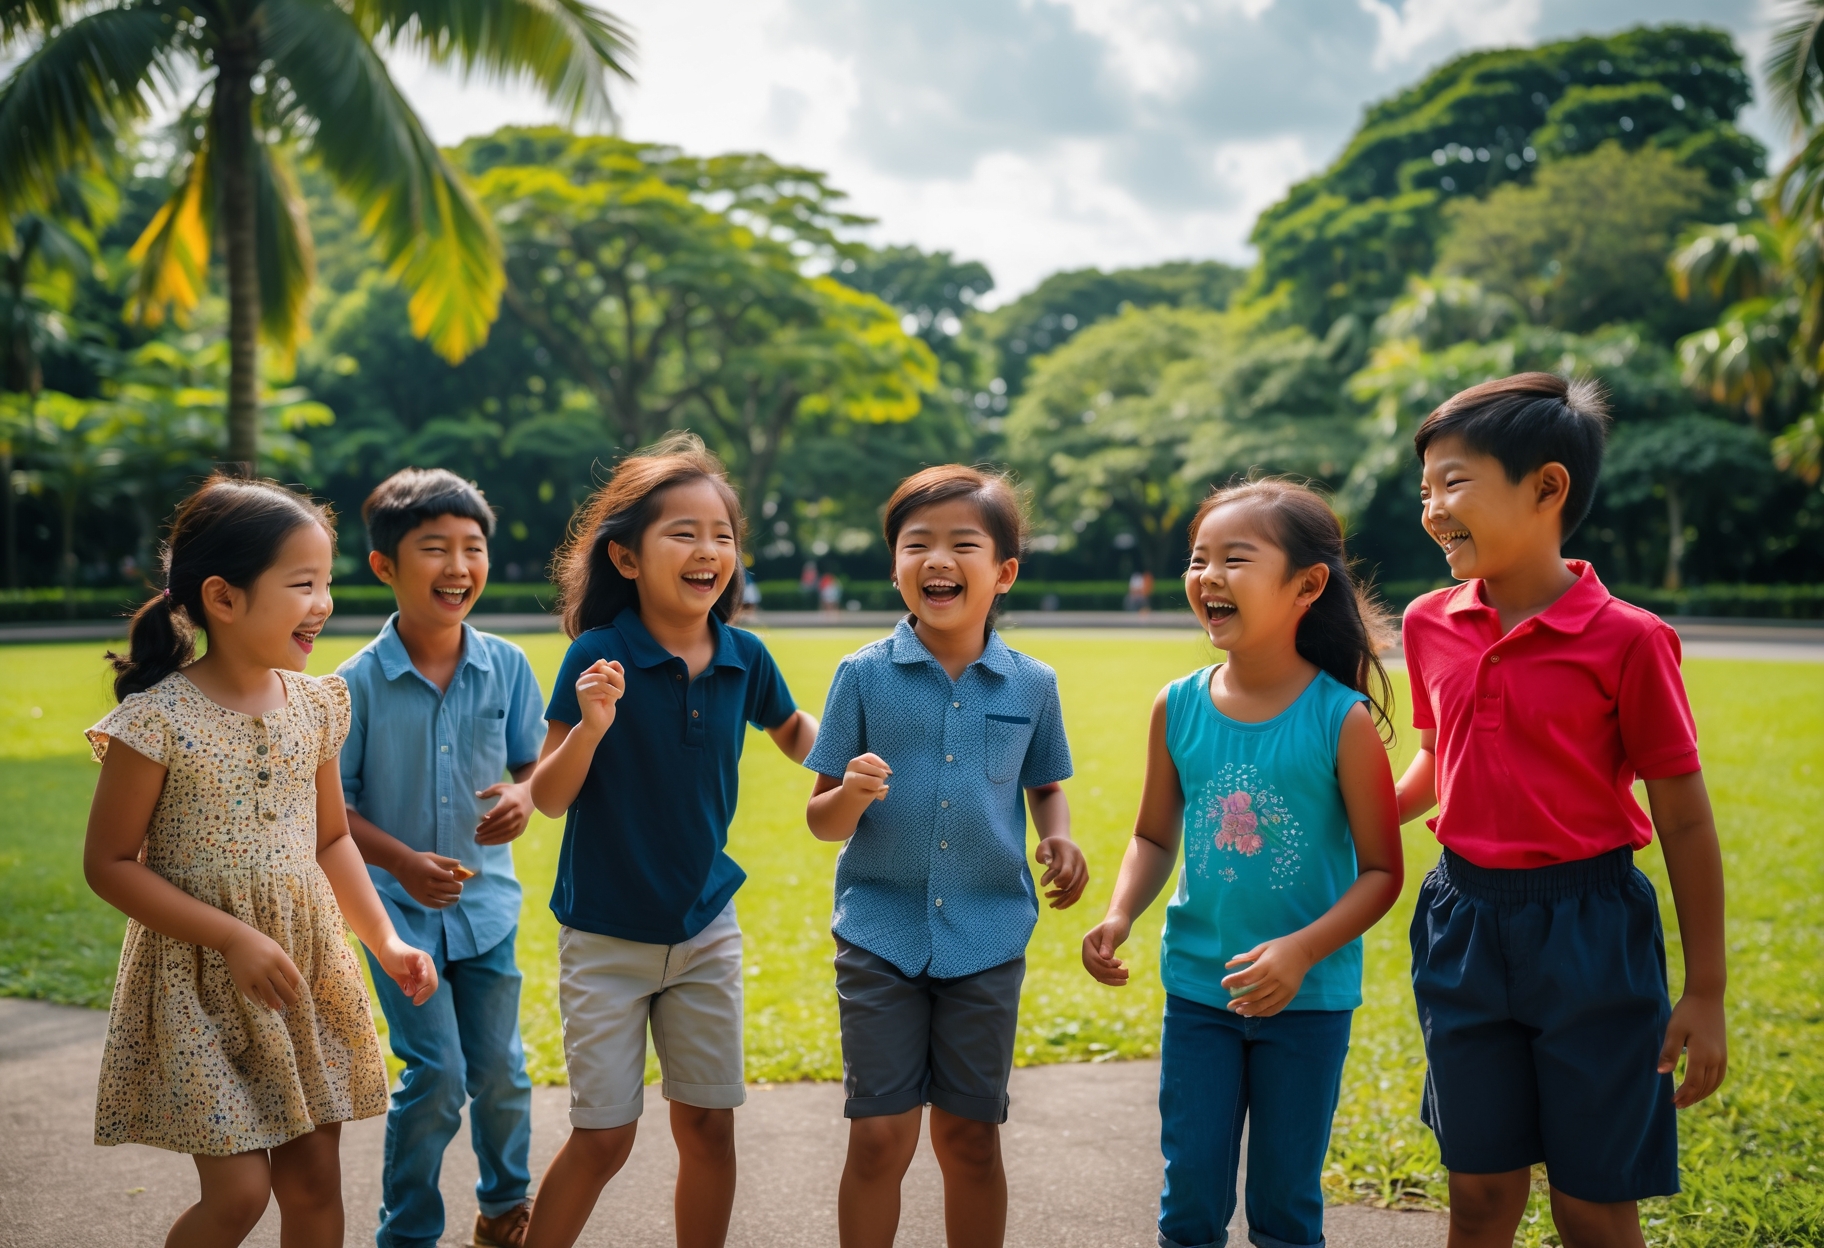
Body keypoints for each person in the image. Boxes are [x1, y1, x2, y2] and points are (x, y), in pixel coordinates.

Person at [1397, 373, 1727, 1248]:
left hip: (1591, 933)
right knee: (1480, 1195)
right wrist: (1356, 817)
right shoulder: (1430, 622)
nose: (1431, 508)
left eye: (1454, 483)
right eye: (1424, 489)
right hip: (1462, 924)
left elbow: (1686, 820)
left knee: (1592, 1202)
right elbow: (1438, 759)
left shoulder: (1631, 638)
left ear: (1547, 488)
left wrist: (1708, 990)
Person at [81, 475, 437, 1248]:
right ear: (224, 597)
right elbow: (109, 863)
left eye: (327, 583)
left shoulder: (317, 705)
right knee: (239, 1193)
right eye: (302, 583)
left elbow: (331, 841)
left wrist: (386, 940)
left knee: (313, 1181)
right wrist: (231, 937)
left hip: (299, 972)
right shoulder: (157, 720)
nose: (323, 603)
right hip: (200, 982)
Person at [1081, 479, 1404, 1248]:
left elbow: (1383, 872)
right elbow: (1155, 837)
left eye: (1235, 558)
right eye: (1198, 560)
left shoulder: (1342, 719)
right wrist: (1121, 913)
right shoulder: (1178, 705)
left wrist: (1301, 951)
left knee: (1286, 1206)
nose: (1207, 577)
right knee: (1189, 1198)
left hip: (1309, 1003)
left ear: (1306, 586)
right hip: (1200, 992)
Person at [522, 433, 819, 1248]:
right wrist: (590, 726)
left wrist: (854, 764)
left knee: (709, 1129)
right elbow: (548, 797)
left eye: (721, 534)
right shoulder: (597, 655)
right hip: (606, 937)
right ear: (626, 558)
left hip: (703, 930)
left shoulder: (744, 657)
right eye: (683, 532)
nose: (708, 550)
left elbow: (796, 733)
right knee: (605, 1136)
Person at [805, 465, 1088, 1248]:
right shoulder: (861, 675)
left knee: (969, 1137)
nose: (938, 558)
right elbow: (822, 821)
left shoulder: (1033, 685)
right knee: (879, 1137)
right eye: (916, 543)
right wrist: (854, 795)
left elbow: (1046, 787)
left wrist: (1057, 835)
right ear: (894, 564)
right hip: (878, 935)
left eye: (963, 543)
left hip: (987, 936)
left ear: (1002, 573)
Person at [336, 469, 545, 1248]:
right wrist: (402, 861)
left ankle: (505, 1208)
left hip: (487, 912)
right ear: (385, 566)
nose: (459, 566)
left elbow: (532, 766)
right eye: (435, 549)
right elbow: (335, 813)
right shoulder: (351, 685)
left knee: (501, 1076)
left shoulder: (509, 667)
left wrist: (526, 796)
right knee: (437, 1078)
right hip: (395, 917)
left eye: (473, 547)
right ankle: (409, 1233)